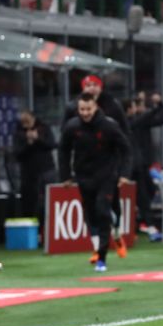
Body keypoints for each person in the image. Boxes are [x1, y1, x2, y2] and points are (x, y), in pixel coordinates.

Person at [58, 93, 132, 272]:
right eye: (82, 109)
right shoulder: (72, 126)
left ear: (96, 107)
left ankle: (102, 257)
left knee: (102, 210)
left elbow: (126, 149)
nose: (85, 113)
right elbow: (63, 150)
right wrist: (65, 175)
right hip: (84, 176)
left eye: (88, 109)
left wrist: (124, 173)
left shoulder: (109, 125)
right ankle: (98, 246)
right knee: (91, 213)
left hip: (106, 175)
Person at [127, 91, 163, 238]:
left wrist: (158, 106)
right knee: (140, 194)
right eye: (138, 105)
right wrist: (155, 107)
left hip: (142, 163)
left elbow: (160, 120)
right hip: (132, 165)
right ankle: (144, 223)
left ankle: (144, 221)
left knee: (148, 192)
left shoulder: (142, 121)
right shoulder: (129, 122)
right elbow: (146, 117)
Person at [12, 110, 57, 232]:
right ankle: (30, 230)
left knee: (48, 201)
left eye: (27, 121)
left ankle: (48, 230)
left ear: (33, 118)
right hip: (28, 172)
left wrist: (38, 139)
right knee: (29, 202)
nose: (25, 124)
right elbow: (17, 154)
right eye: (23, 122)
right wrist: (28, 143)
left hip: (46, 170)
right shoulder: (18, 133)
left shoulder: (44, 128)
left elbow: (52, 144)